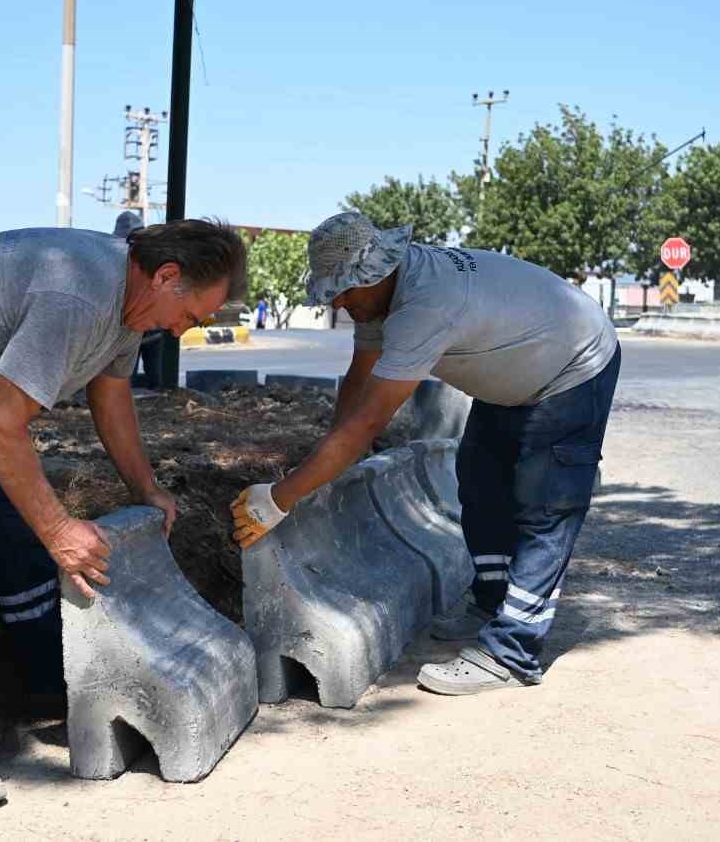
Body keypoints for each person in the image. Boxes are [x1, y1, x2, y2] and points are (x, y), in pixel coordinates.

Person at [0, 219, 245, 810]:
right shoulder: (78, 294)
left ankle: (44, 692)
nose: (184, 332)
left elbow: (110, 394)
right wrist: (60, 529)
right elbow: (1, 422)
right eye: (192, 317)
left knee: (19, 537)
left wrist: (146, 486)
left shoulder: (133, 303)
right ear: (167, 276)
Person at [231, 212, 619, 696]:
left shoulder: (424, 306)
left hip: (572, 364)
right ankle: (491, 600)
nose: (340, 300)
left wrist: (279, 498)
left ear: (378, 272)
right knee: (480, 478)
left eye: (347, 289)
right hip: (517, 373)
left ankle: (513, 649)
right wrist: (325, 465)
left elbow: (371, 420)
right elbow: (359, 382)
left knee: (545, 503)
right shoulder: (380, 300)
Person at [113, 211, 166, 386]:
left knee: (156, 377)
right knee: (124, 379)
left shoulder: (155, 259)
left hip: (151, 329)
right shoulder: (117, 263)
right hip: (131, 330)